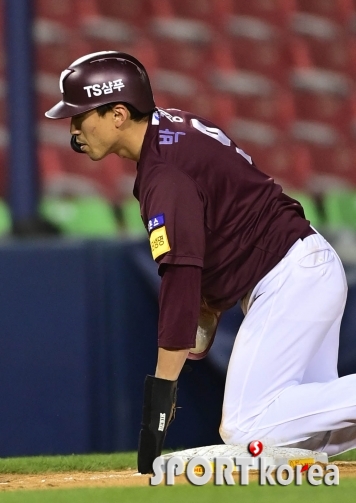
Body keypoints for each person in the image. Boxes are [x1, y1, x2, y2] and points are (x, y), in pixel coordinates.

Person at [45, 51, 356, 473]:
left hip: (291, 277)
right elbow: (225, 217)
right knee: (303, 433)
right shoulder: (172, 127)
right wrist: (211, 302)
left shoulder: (164, 173)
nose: (75, 129)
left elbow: (180, 278)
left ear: (118, 113)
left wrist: (162, 391)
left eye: (80, 116)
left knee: (247, 427)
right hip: (300, 266)